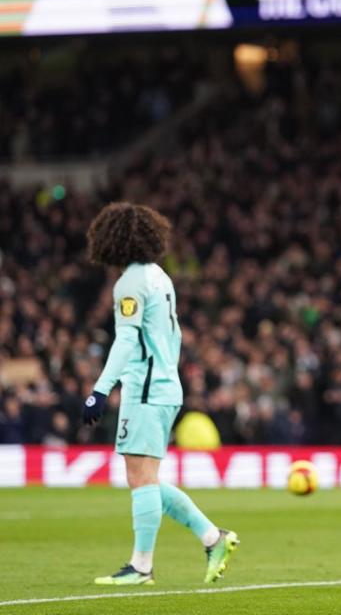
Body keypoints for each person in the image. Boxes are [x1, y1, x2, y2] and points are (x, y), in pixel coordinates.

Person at [83, 202, 238, 586]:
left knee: (140, 476)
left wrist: (100, 389)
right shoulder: (159, 276)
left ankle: (141, 566)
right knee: (146, 478)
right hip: (165, 384)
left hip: (148, 388)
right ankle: (212, 537)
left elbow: (125, 339)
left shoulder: (130, 282)